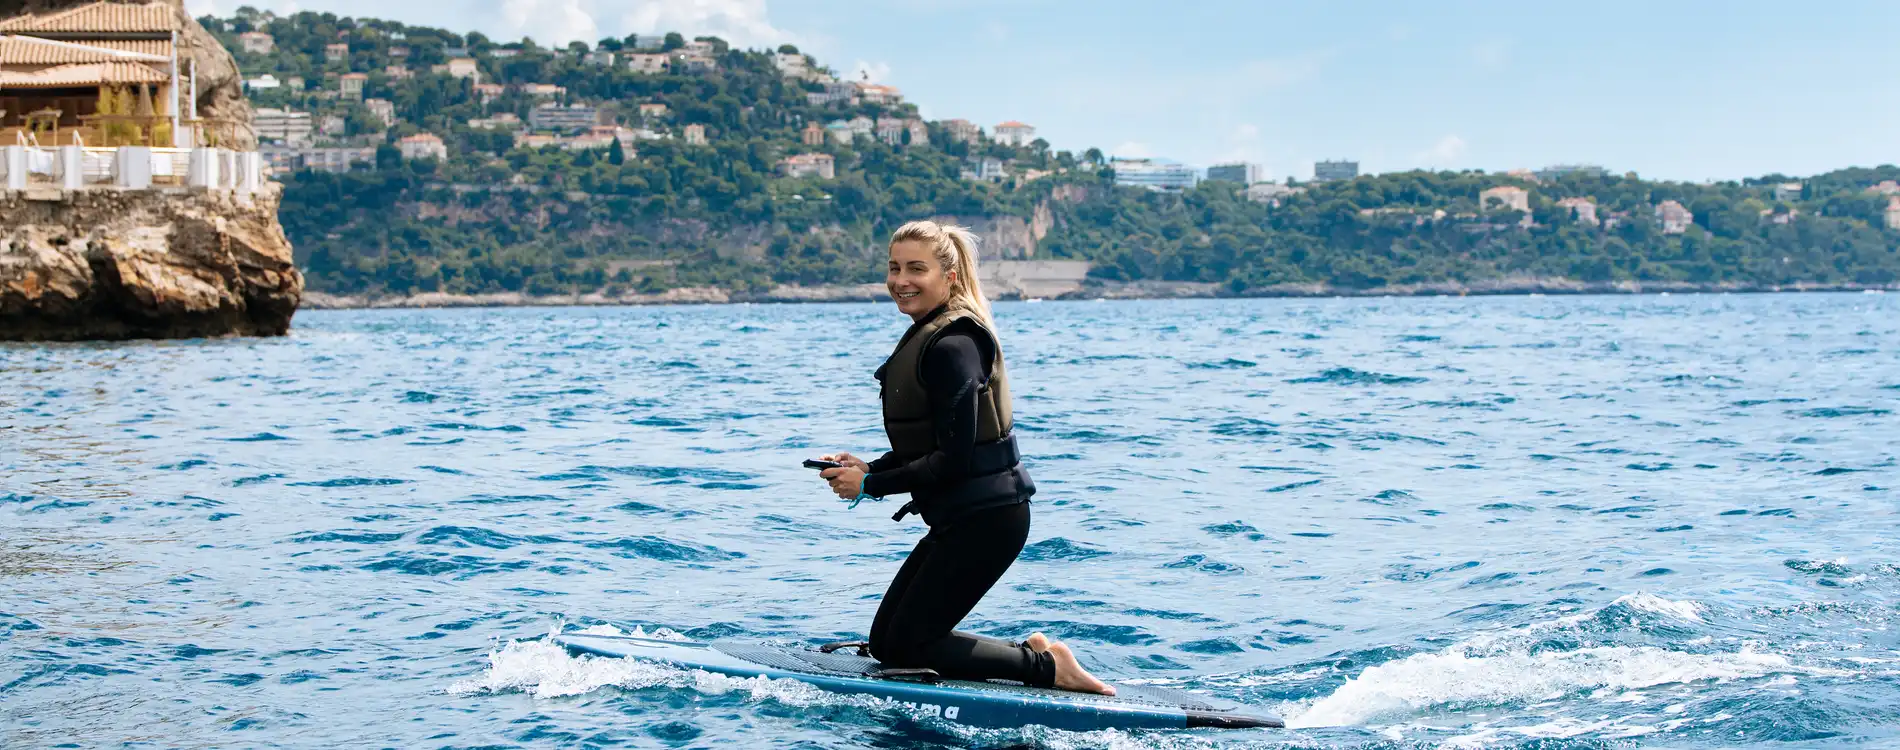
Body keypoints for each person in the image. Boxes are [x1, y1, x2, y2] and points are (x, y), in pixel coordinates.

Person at [817, 220, 1115, 696]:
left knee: (908, 646)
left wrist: (870, 487)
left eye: (917, 268)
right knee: (886, 642)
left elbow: (954, 461)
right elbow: (937, 443)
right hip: (962, 517)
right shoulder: (932, 336)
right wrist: (871, 468)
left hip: (989, 520)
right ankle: (1035, 653)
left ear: (949, 277)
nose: (901, 280)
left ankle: (1047, 666)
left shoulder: (955, 345)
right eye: (894, 268)